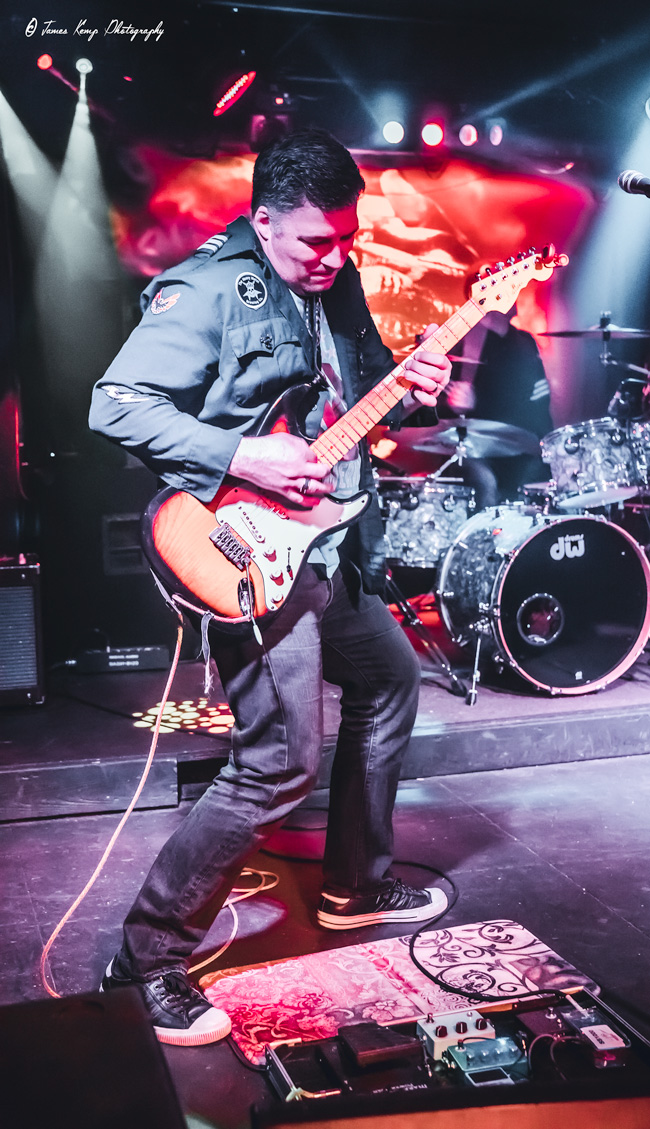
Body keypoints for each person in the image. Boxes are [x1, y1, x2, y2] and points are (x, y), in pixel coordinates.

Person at [88, 129, 452, 1047]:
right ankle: (146, 956)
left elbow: (357, 405)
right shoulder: (209, 287)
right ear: (261, 222)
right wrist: (243, 452)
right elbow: (117, 402)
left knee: (391, 681)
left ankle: (354, 886)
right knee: (280, 758)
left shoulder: (342, 276)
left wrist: (415, 385)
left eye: (345, 236)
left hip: (331, 545)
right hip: (249, 547)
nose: (333, 257)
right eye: (310, 244)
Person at [442, 307, 552, 507]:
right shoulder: (459, 345)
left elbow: (531, 404)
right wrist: (453, 404)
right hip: (471, 449)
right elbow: (440, 406)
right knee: (483, 481)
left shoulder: (523, 344)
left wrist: (478, 402)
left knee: (536, 478)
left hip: (520, 448)